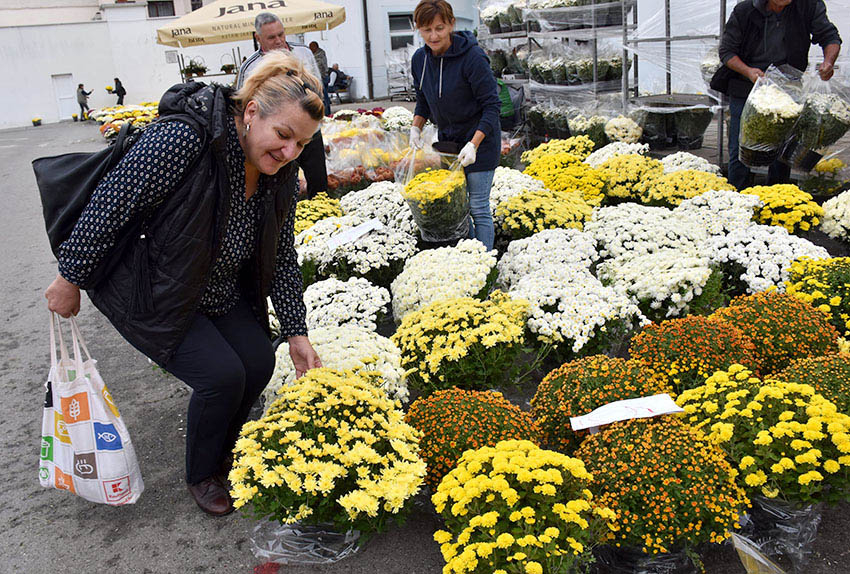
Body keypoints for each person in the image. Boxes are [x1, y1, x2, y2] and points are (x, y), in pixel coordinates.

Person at [44, 52, 324, 517]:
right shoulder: (184, 137)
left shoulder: (282, 173)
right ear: (251, 111)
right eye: (283, 135)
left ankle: (227, 450)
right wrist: (68, 277)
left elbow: (281, 256)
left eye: (302, 144)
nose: (290, 152)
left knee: (257, 360)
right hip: (153, 287)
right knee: (220, 376)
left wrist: (297, 332)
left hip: (211, 287)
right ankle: (202, 473)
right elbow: (113, 202)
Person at [713, 0, 841, 191]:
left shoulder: (808, 5)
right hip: (746, 86)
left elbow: (830, 36)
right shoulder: (745, 10)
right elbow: (727, 51)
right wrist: (748, 71)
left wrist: (828, 62)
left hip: (787, 86)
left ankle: (778, 197)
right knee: (741, 148)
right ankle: (737, 198)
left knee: (782, 147)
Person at [409, 0, 501, 250]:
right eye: (426, 30)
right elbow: (423, 99)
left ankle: (485, 265)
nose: (433, 35)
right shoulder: (420, 60)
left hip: (480, 142)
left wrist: (474, 144)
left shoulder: (472, 58)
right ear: (418, 29)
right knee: (458, 206)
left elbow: (492, 106)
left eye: (439, 28)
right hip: (449, 145)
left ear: (451, 24)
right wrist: (416, 127)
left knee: (478, 207)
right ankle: (468, 257)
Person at [238, 12, 328, 199]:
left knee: (318, 180)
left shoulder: (303, 52)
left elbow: (319, 89)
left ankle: (321, 210)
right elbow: (241, 103)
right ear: (258, 38)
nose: (278, 41)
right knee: (279, 188)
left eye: (281, 34)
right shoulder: (250, 67)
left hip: (309, 131)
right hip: (272, 139)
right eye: (271, 37)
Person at [309, 41, 332, 116]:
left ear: (315, 47)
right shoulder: (315, 54)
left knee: (324, 97)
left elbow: (320, 67)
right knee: (323, 96)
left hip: (321, 78)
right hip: (320, 78)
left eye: (311, 47)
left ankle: (327, 113)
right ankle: (325, 112)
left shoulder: (319, 55)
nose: (310, 49)